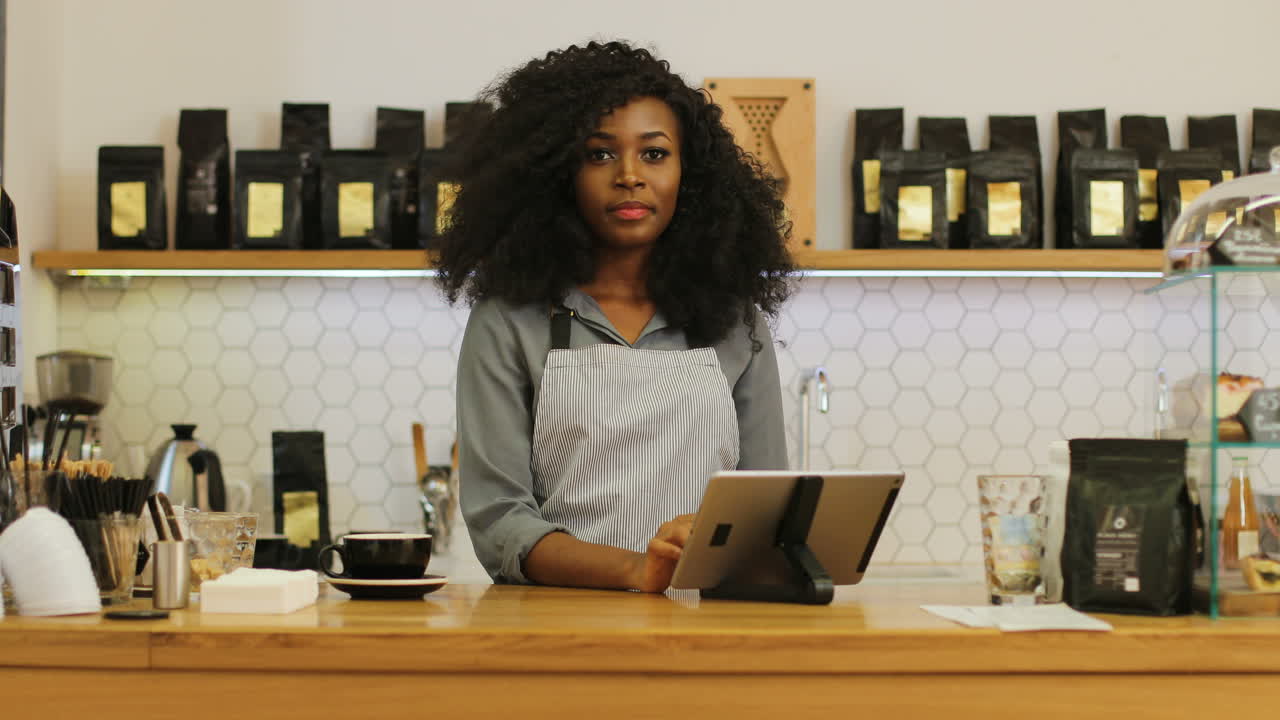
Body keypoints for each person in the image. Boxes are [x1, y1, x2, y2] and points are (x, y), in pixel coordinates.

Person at [435, 40, 796, 592]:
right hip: (556, 626)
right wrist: (637, 570)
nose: (629, 175)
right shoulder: (508, 321)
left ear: (691, 174)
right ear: (558, 173)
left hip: (703, 625)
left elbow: (763, 507)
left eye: (654, 154)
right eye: (600, 154)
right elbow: (500, 523)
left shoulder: (734, 321)